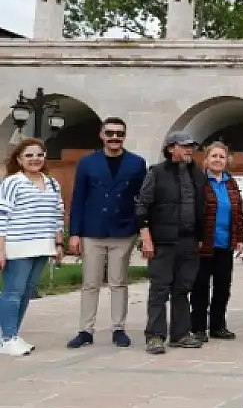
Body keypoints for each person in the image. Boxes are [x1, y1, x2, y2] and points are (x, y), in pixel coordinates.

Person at [66, 117, 147, 349]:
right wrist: (74, 233)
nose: (114, 137)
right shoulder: (87, 162)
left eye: (119, 134)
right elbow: (78, 198)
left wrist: (142, 229)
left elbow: (141, 198)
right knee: (90, 282)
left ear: (124, 136)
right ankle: (85, 330)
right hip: (93, 230)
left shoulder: (136, 163)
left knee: (118, 282)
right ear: (101, 135)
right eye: (109, 133)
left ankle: (118, 328)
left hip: (123, 230)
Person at [135, 131, 208, 355]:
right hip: (163, 241)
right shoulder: (156, 173)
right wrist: (145, 237)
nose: (189, 150)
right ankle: (155, 336)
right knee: (160, 289)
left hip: (189, 240)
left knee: (182, 288)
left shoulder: (197, 174)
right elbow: (142, 206)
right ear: (170, 148)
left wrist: (200, 237)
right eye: (184, 146)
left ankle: (180, 334)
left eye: (191, 146)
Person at [0, 138, 65, 357]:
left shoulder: (52, 182)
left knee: (27, 293)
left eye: (39, 154)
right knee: (12, 293)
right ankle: (8, 338)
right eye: (29, 155)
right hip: (18, 246)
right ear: (19, 159)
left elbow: (58, 215)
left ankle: (12, 335)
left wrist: (58, 243)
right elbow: (2, 217)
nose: (35, 159)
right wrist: (1, 249)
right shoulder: (12, 182)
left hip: (42, 246)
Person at [190, 142, 243, 342]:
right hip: (203, 244)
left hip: (225, 244)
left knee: (223, 287)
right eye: (213, 156)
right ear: (206, 160)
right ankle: (197, 327)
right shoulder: (198, 182)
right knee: (200, 287)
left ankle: (217, 326)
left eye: (221, 157)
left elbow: (238, 212)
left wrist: (240, 238)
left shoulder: (231, 183)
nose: (217, 160)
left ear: (226, 161)